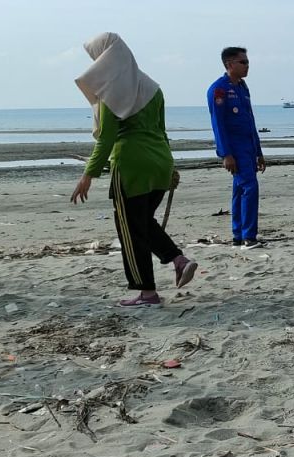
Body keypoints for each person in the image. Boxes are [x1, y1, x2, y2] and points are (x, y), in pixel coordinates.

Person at [72, 32, 198, 307]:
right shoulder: (152, 87)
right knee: (141, 223)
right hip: (160, 162)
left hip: (131, 165)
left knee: (129, 229)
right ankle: (178, 260)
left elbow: (106, 137)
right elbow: (161, 131)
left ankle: (147, 292)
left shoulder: (110, 92)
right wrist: (172, 167)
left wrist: (88, 175)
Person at [208, 46, 266, 247]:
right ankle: (249, 236)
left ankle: (239, 235)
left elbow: (250, 121)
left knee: (240, 190)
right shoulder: (219, 89)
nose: (247, 66)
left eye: (248, 62)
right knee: (250, 188)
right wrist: (226, 154)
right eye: (243, 62)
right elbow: (218, 124)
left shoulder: (242, 87)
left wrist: (259, 152)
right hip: (235, 149)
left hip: (248, 146)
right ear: (229, 64)